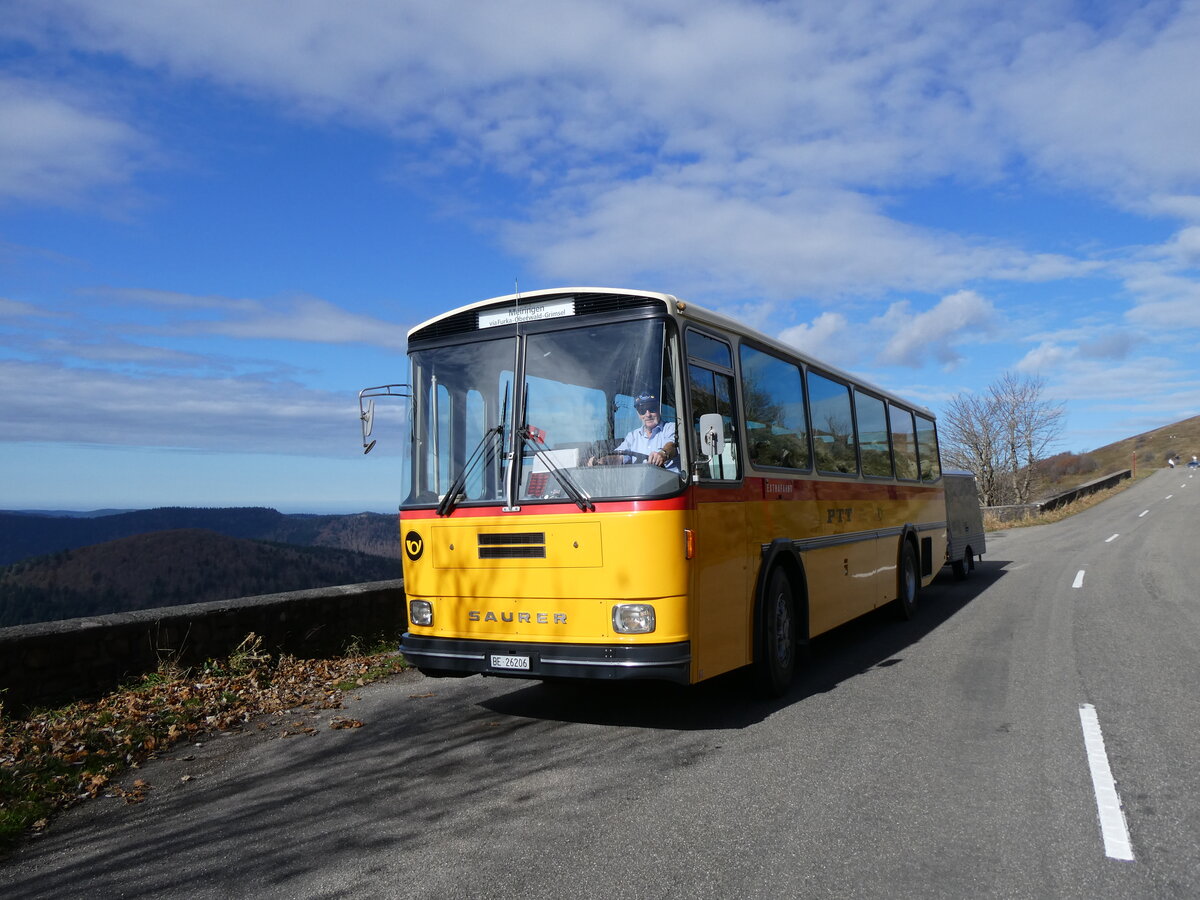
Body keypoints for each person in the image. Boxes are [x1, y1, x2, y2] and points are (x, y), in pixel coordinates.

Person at [588, 393, 679, 472]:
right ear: (638, 414)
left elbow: (672, 446)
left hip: (671, 485)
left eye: (651, 408)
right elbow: (620, 456)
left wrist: (663, 454)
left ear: (659, 409)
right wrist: (603, 460)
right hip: (639, 484)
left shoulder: (670, 428)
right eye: (642, 410)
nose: (648, 414)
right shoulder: (633, 436)